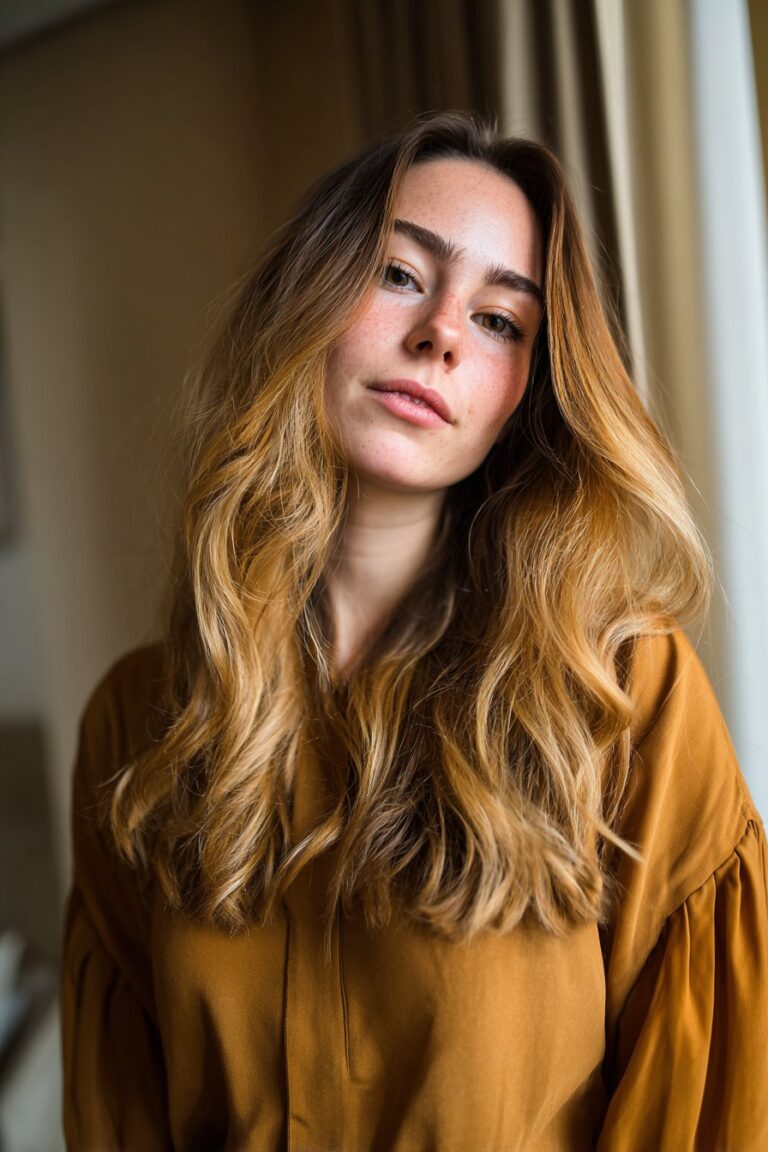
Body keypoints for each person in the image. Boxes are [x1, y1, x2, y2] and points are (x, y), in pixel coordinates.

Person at [61, 111, 768, 1150]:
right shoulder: (138, 724)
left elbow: (709, 1111)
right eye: (399, 274)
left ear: (525, 394)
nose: (442, 332)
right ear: (306, 300)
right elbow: (120, 1111)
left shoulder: (622, 695)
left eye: (500, 321)